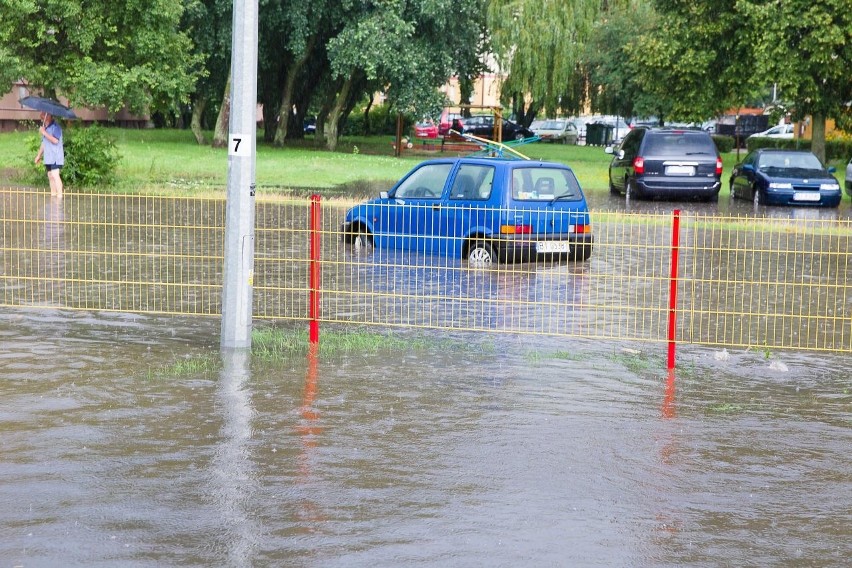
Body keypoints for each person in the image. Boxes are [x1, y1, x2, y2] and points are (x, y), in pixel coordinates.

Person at [34, 112, 65, 197]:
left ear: (49, 116)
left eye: (44, 113)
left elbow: (55, 141)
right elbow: (44, 144)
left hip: (55, 156)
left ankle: (59, 196)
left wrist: (44, 132)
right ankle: (53, 195)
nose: (41, 114)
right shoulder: (45, 128)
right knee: (50, 176)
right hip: (48, 157)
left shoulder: (56, 127)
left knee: (55, 175)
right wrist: (38, 156)